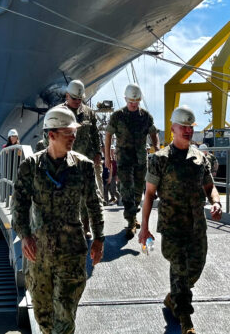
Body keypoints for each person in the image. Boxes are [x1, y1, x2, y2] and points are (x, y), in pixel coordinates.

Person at [11, 107, 105, 334]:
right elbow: (19, 206)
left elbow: (94, 203)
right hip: (38, 256)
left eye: (74, 132)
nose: (74, 137)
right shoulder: (30, 167)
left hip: (71, 255)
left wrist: (99, 238)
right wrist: (24, 236)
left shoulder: (83, 167)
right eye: (68, 133)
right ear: (51, 135)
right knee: (44, 320)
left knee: (64, 322)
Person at [139, 105, 223, 334]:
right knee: (180, 269)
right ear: (173, 128)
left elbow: (210, 186)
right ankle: (185, 319)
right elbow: (148, 195)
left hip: (197, 224)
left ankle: (174, 297)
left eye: (190, 127)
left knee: (196, 267)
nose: (187, 131)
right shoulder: (159, 159)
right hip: (172, 225)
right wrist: (143, 227)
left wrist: (216, 201)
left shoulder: (200, 158)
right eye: (183, 127)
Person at [104, 83, 159, 239]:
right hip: (124, 160)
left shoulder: (146, 116)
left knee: (138, 191)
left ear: (139, 100)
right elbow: (108, 135)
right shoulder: (117, 116)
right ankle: (130, 222)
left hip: (141, 159)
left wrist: (157, 148)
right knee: (126, 190)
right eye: (130, 102)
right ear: (125, 99)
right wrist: (107, 156)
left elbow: (153, 133)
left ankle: (134, 214)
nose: (133, 104)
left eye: (136, 102)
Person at [51, 79, 104, 239]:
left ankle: (86, 226)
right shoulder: (57, 113)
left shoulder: (89, 113)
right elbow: (49, 136)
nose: (77, 102)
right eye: (74, 99)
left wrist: (97, 153)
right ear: (67, 96)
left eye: (80, 99)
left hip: (85, 160)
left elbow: (95, 134)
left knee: (87, 195)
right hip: (64, 160)